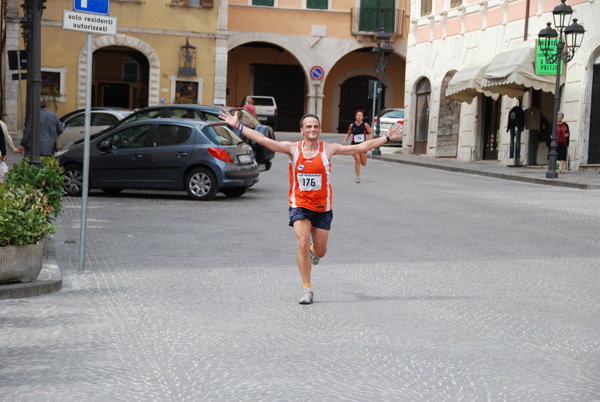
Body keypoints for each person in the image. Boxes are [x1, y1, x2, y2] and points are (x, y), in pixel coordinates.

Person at [219, 109, 403, 305]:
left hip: (323, 207)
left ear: (319, 130)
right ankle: (307, 289)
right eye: (309, 126)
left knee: (321, 251)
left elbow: (359, 147)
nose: (312, 129)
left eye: (315, 126)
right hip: (300, 205)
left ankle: (315, 251)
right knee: (303, 243)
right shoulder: (293, 149)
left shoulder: (328, 149)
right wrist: (237, 126)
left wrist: (386, 138)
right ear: (302, 130)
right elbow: (264, 140)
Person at [341, 109, 374, 183]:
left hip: (363, 145)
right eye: (358, 115)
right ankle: (358, 177)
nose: (359, 116)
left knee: (363, 163)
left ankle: (358, 173)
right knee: (357, 160)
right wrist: (344, 140)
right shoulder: (352, 125)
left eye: (361, 115)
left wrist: (369, 141)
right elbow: (348, 133)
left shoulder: (365, 125)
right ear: (355, 116)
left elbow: (371, 133)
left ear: (362, 117)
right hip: (354, 145)